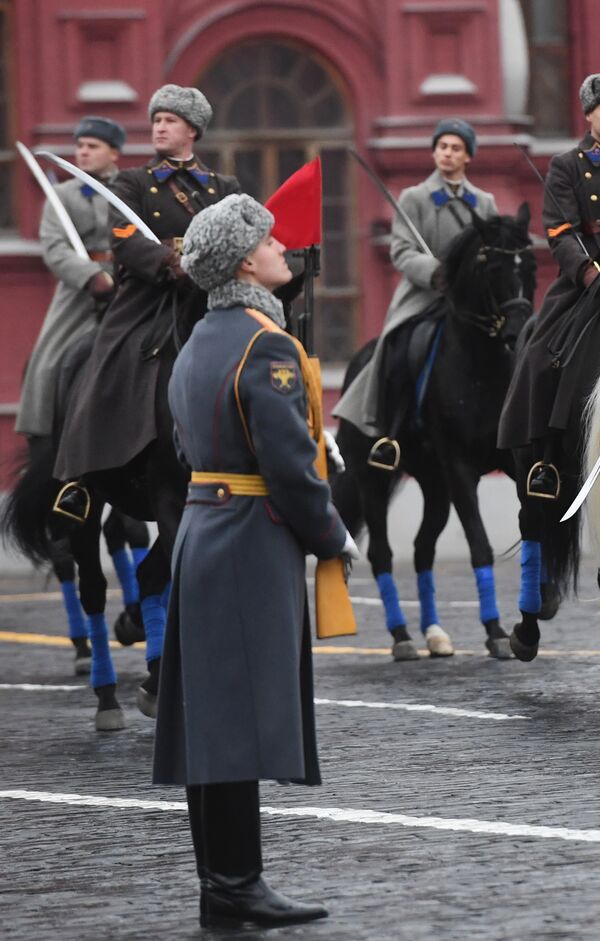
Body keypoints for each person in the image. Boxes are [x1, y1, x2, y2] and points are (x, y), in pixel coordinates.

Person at [154, 193, 356, 928]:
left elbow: (185, 447)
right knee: (236, 720)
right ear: (245, 261)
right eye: (270, 242)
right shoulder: (263, 342)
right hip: (248, 536)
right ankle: (238, 882)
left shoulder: (198, 341)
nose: (282, 249)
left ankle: (223, 885)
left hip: (202, 531)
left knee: (210, 720)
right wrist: (332, 535)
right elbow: (290, 463)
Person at [53, 84, 241, 491]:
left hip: (210, 296)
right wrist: (170, 262)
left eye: (170, 121)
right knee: (108, 358)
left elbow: (243, 233)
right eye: (156, 120)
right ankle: (85, 474)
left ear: (192, 130)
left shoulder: (224, 187)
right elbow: (123, 236)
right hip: (148, 296)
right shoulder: (132, 182)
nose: (159, 128)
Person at [498, 72, 600, 498]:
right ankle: (544, 458)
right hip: (589, 280)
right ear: (589, 115)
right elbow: (560, 230)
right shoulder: (568, 166)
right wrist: (587, 274)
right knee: (544, 357)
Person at [333, 118, 499, 470]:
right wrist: (436, 272)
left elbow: (495, 252)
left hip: (469, 304)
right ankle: (390, 433)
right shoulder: (414, 198)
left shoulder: (485, 203)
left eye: (455, 148)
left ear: (467, 156)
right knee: (402, 348)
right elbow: (402, 251)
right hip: (424, 298)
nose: (447, 154)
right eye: (442, 147)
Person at [16, 116, 125, 440]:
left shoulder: (130, 189)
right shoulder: (61, 196)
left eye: (93, 146)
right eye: (80, 146)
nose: (83, 152)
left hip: (127, 281)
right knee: (48, 360)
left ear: (114, 153)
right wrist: (92, 277)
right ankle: (42, 433)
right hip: (80, 289)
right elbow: (54, 246)